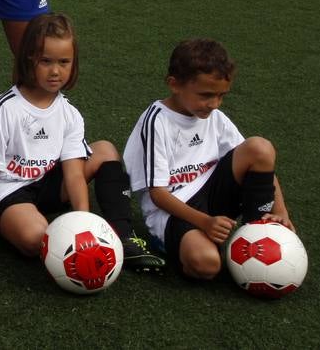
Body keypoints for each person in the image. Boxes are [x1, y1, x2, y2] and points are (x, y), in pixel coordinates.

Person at [0, 14, 164, 270]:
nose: (55, 71)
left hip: (46, 183)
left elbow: (74, 175)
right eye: (46, 61)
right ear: (29, 59)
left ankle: (123, 236)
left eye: (63, 62)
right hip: (7, 189)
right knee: (35, 239)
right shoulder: (5, 109)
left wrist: (84, 223)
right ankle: (31, 225)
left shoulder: (70, 113)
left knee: (104, 150)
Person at [123, 38, 294, 280]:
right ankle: (178, 242)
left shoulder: (216, 118)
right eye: (206, 95)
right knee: (207, 265)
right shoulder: (156, 121)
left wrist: (282, 212)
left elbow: (260, 162)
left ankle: (256, 234)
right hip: (173, 210)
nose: (214, 104)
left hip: (212, 197)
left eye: (221, 95)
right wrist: (205, 222)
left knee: (260, 148)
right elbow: (158, 195)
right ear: (174, 84)